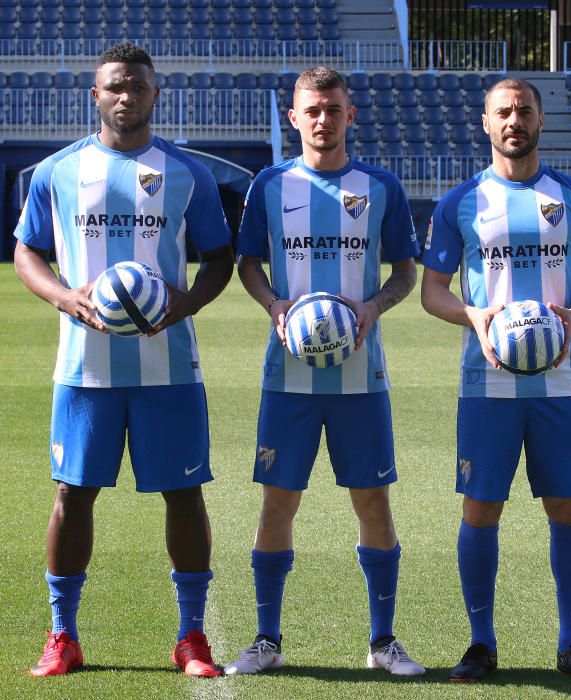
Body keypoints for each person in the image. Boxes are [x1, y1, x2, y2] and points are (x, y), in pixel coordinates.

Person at [13, 43, 234, 678]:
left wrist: (187, 303)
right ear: (96, 95)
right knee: (72, 494)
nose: (126, 96)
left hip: (169, 367)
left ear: (154, 94)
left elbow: (219, 257)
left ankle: (192, 636)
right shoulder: (57, 172)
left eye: (137, 86)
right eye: (115, 86)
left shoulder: (187, 174)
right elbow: (27, 251)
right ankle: (62, 635)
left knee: (184, 494)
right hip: (85, 368)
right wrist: (65, 297)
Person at [225, 66, 424, 677]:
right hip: (288, 378)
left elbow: (406, 272)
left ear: (350, 115)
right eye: (311, 110)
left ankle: (383, 641)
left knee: (373, 501)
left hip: (361, 378)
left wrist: (371, 307)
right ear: (294, 117)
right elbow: (248, 263)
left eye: (333, 109)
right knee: (277, 502)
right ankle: (266, 640)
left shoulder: (380, 186)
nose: (322, 119)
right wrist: (274, 304)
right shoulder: (270, 184)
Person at [420, 77, 571, 683]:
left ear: (539, 119)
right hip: (487, 385)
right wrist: (474, 315)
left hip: (561, 383)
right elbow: (432, 292)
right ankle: (481, 643)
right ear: (486, 123)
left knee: (568, 505)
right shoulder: (460, 203)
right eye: (503, 111)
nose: (514, 120)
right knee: (481, 508)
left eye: (524, 110)